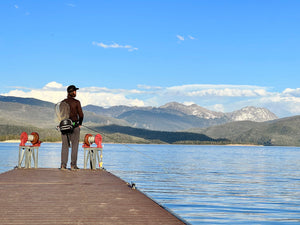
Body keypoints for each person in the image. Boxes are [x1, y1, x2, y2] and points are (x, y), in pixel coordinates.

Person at [60, 85, 84, 170]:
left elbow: (61, 116)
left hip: (64, 127)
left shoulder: (62, 103)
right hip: (75, 126)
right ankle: (73, 165)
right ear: (73, 92)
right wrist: (80, 123)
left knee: (65, 146)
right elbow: (81, 115)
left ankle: (63, 165)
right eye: (75, 91)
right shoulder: (76, 102)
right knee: (75, 145)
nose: (76, 93)